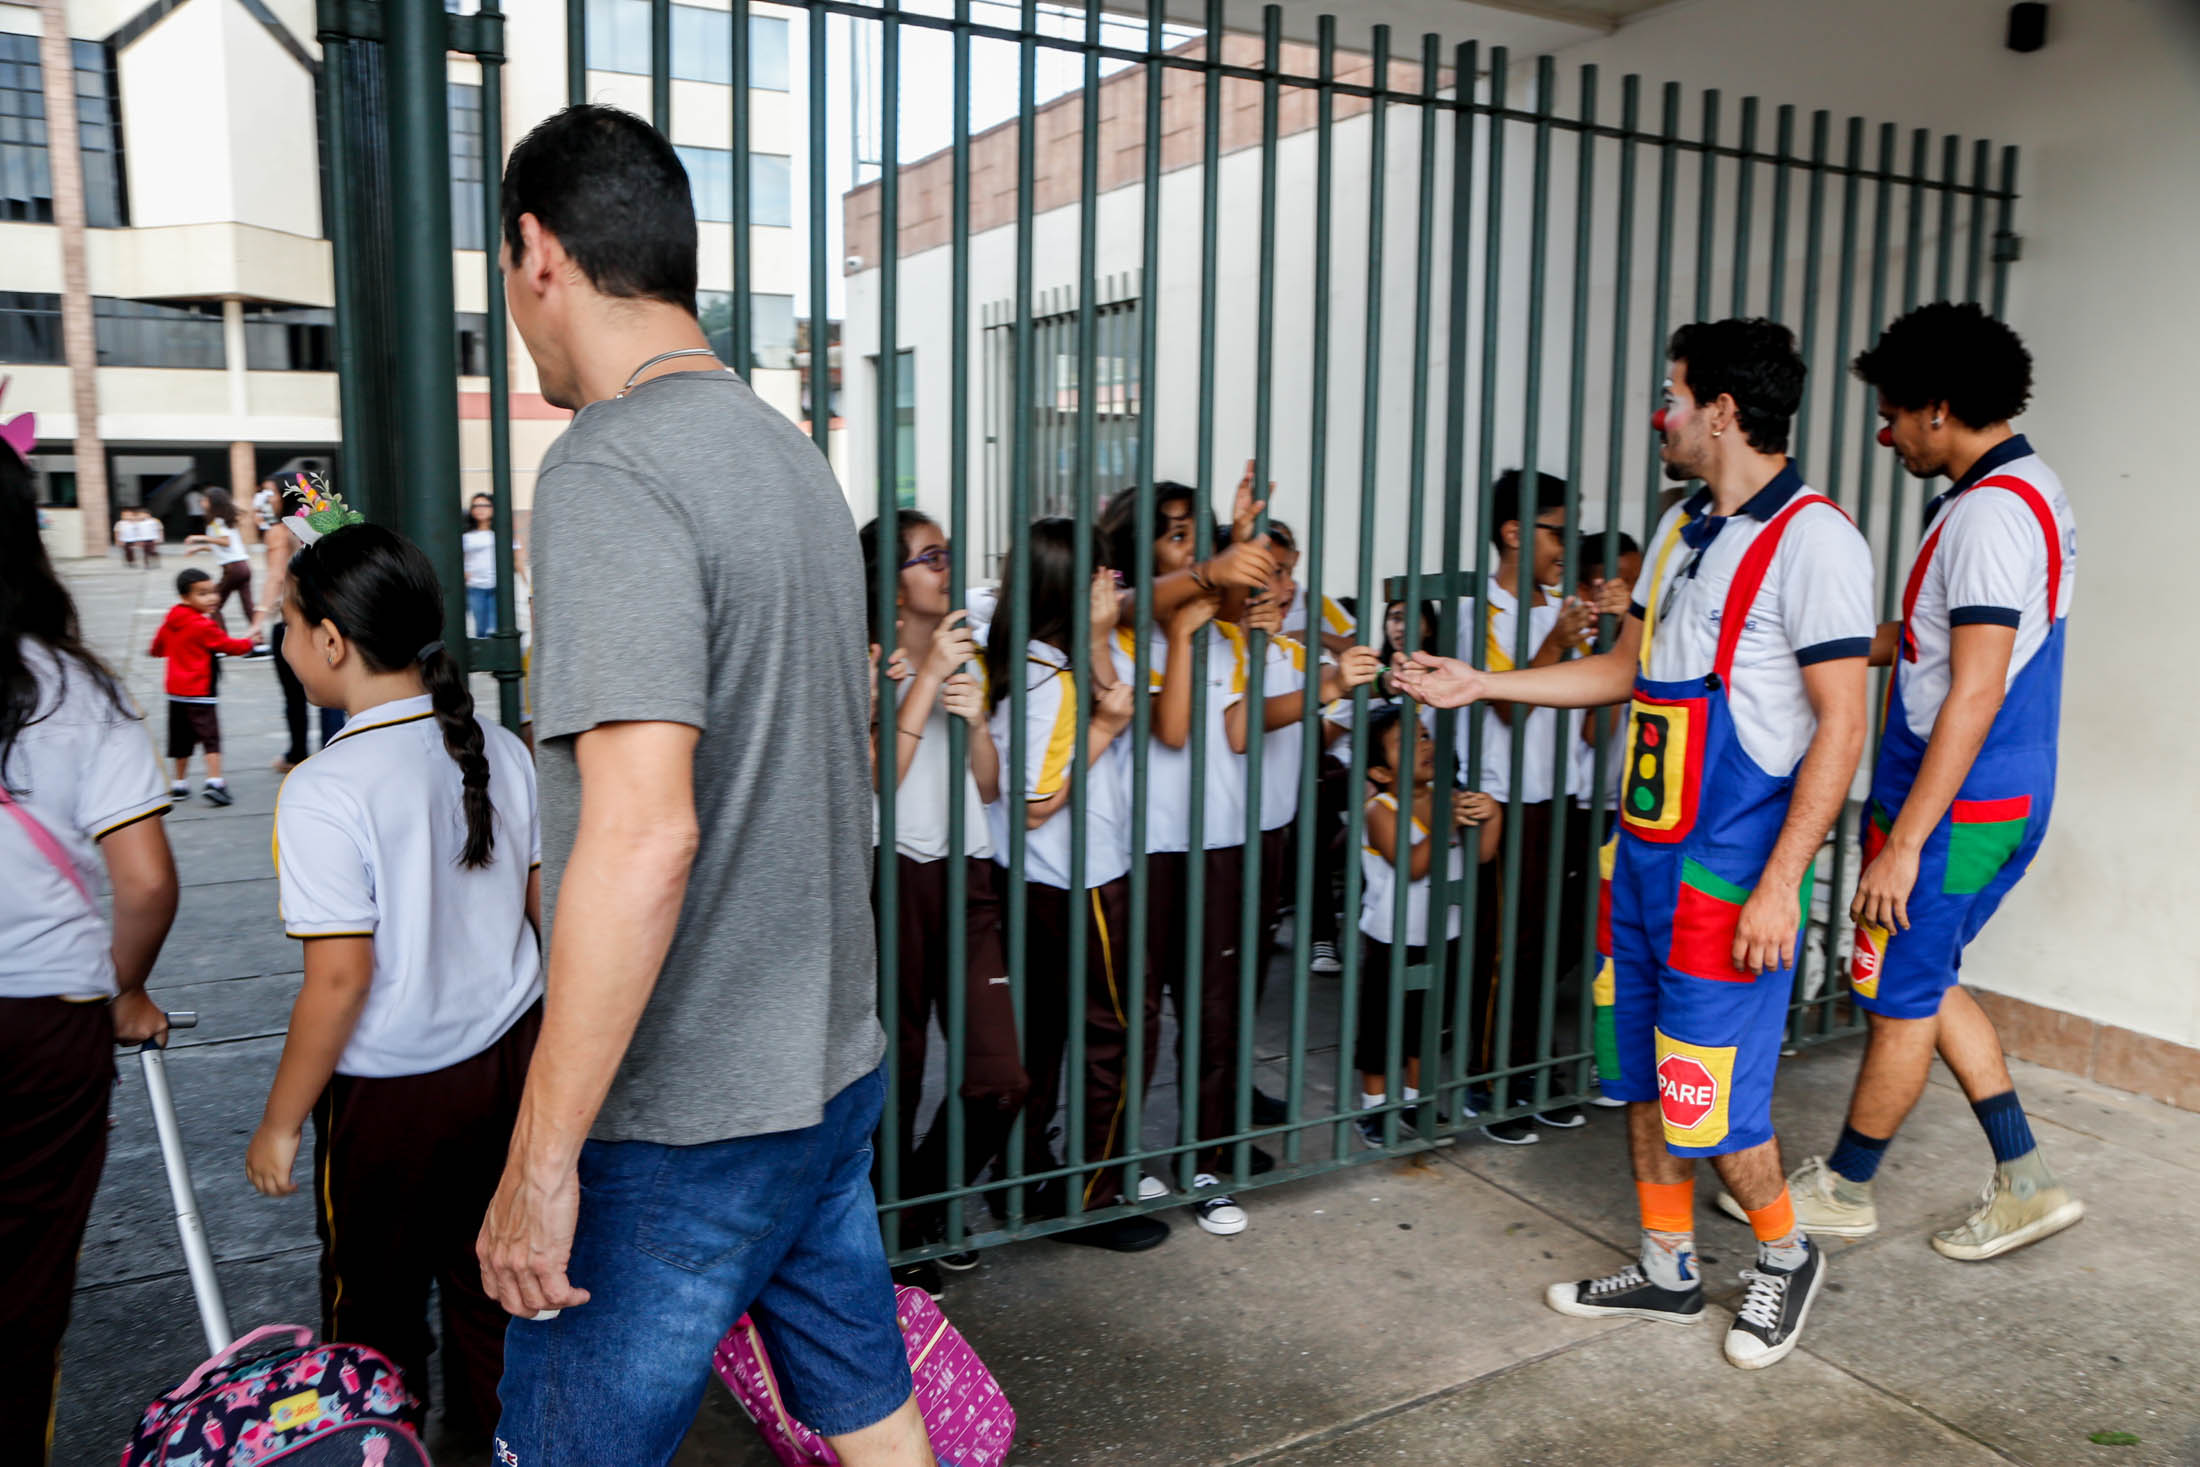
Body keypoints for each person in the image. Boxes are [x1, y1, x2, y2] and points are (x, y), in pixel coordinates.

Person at [478, 104, 935, 1467]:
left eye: (505, 275)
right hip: (825, 1068)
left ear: (537, 250)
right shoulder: (790, 458)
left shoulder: (611, 465)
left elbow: (642, 833)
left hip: (683, 1113)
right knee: (867, 1410)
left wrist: (541, 1159)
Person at [1396, 318, 1875, 1371]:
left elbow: (1842, 723)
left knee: (1712, 1091)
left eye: (1670, 396)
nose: (1658, 415)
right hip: (1644, 855)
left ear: (1720, 411)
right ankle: (1666, 1268)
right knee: (1645, 1075)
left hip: (1731, 868)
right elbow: (1626, 673)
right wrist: (1482, 682)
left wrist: (1783, 883)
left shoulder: (1816, 541)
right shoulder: (1677, 531)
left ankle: (1784, 1255)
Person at [1719, 302, 2082, 1260]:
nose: (1884, 432)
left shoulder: (1991, 514)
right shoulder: (2016, 489)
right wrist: (1830, 643)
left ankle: (1845, 1185)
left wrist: (1907, 844)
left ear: (1940, 407)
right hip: (1982, 791)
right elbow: (1933, 643)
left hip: (1960, 803)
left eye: (1893, 413)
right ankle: (2028, 1177)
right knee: (1924, 976)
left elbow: (1974, 687)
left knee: (1898, 996)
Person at [247, 519, 543, 1454]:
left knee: (370, 1313)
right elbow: (548, 914)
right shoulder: (501, 745)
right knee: (494, 1292)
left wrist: (281, 1120)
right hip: (509, 1066)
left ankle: (383, 1445)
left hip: (391, 1104)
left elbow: (338, 980)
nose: (284, 643)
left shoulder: (326, 786)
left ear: (331, 640)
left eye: (287, 623)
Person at [0, 413, 179, 1467]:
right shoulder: (77, 695)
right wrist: (122, 985)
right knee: (24, 1281)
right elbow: (147, 880)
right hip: (46, 1026)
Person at [859, 509, 1024, 1293]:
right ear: (889, 577)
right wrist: (922, 684)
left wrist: (978, 720)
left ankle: (923, 1197)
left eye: (948, 554)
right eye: (928, 557)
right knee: (900, 1064)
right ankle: (889, 1223)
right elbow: (873, 781)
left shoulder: (969, 653)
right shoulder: (863, 659)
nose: (945, 566)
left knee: (1002, 1075)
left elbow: (988, 786)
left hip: (969, 873)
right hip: (890, 872)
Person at [986, 518, 1160, 1250]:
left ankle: (1022, 1180)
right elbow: (1035, 804)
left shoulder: (1019, 659)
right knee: (1117, 1032)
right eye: (1103, 575)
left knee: (1046, 1033)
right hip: (1079, 880)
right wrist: (1104, 732)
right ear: (1073, 585)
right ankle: (1093, 1194)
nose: (1115, 586)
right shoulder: (1049, 682)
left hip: (1029, 882)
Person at [1099, 481, 1262, 1236]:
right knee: (1138, 1012)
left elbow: (1229, 733)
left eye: (1197, 535)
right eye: (1172, 537)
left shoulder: (1223, 631)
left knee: (1215, 1007)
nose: (1192, 551)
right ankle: (1122, 1156)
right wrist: (1189, 630)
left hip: (1218, 839)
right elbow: (1168, 735)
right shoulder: (1124, 631)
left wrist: (1239, 559)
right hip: (1145, 846)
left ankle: (1206, 1158)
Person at [1459, 470, 1597, 1143]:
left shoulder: (1563, 606)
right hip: (1505, 800)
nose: (1569, 544)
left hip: (1560, 794)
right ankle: (1488, 1078)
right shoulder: (1478, 612)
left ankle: (1531, 1064)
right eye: (1557, 530)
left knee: (1547, 943)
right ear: (1515, 533)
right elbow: (1508, 707)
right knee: (1503, 945)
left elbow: (1595, 711)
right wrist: (1559, 644)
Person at [1353, 704, 1501, 1148]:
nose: (1424, 745)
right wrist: (1443, 823)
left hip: (1443, 930)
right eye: (1408, 742)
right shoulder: (1380, 808)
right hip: (1392, 935)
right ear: (1379, 771)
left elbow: (1482, 855)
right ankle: (1374, 1107)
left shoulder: (1448, 793)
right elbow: (1412, 865)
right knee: (1382, 1023)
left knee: (1427, 1021)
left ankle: (1419, 1101)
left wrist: (1492, 815)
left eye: (1423, 735)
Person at [150, 567, 256, 806]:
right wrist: (251, 641)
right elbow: (229, 646)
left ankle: (179, 783)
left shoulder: (171, 620)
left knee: (179, 741)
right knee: (211, 738)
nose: (212, 598)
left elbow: (157, 648)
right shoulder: (202, 625)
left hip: (176, 693)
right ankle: (214, 781)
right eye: (202, 593)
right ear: (185, 597)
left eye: (212, 592)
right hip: (201, 693)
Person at [184, 489, 258, 640]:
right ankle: (259, 643)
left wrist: (199, 538)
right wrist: (200, 548)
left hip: (233, 569)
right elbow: (223, 545)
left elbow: (225, 542)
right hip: (243, 567)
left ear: (213, 502)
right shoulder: (224, 520)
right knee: (248, 607)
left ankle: (221, 641)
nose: (202, 502)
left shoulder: (218, 521)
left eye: (204, 500)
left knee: (213, 604)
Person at [462, 492, 525, 636]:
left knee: (494, 626)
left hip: (498, 586)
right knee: (480, 628)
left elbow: (517, 557)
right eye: (476, 506)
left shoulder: (503, 532)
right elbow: (462, 558)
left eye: (485, 505)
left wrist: (525, 583)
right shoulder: (466, 535)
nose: (480, 509)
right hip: (475, 586)